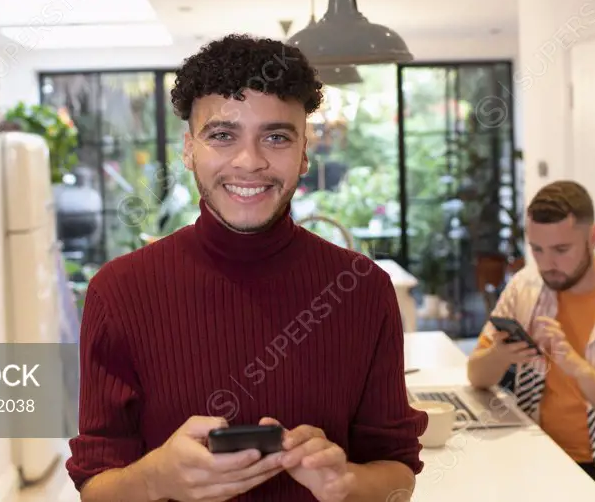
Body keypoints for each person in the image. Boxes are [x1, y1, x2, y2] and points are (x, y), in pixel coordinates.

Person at [66, 34, 427, 502]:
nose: (250, 162)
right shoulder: (118, 292)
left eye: (276, 137)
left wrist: (348, 483)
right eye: (222, 135)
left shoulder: (362, 288)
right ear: (189, 149)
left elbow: (398, 470)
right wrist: (157, 477)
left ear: (303, 153)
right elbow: (95, 487)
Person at [467, 180, 595, 502]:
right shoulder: (526, 287)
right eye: (536, 249)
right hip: (536, 450)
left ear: (594, 237)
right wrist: (502, 354)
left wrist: (581, 371)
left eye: (561, 250)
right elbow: (476, 376)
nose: (547, 265)